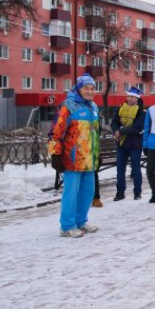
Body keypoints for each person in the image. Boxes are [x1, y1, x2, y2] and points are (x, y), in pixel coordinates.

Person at [49, 74, 100, 238]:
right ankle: (67, 226)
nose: (90, 91)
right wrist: (55, 155)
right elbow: (55, 133)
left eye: (93, 88)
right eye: (86, 88)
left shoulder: (94, 107)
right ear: (78, 89)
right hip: (72, 159)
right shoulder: (68, 106)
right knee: (71, 193)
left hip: (89, 159)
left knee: (87, 192)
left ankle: (81, 221)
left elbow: (94, 134)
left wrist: (97, 155)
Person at [111, 87, 145, 201]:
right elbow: (114, 122)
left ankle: (137, 192)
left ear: (137, 98)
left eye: (132, 97)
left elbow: (136, 128)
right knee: (120, 170)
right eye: (128, 96)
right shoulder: (121, 108)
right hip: (122, 144)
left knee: (136, 169)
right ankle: (120, 193)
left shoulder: (141, 112)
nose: (129, 98)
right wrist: (116, 130)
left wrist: (120, 131)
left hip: (135, 144)